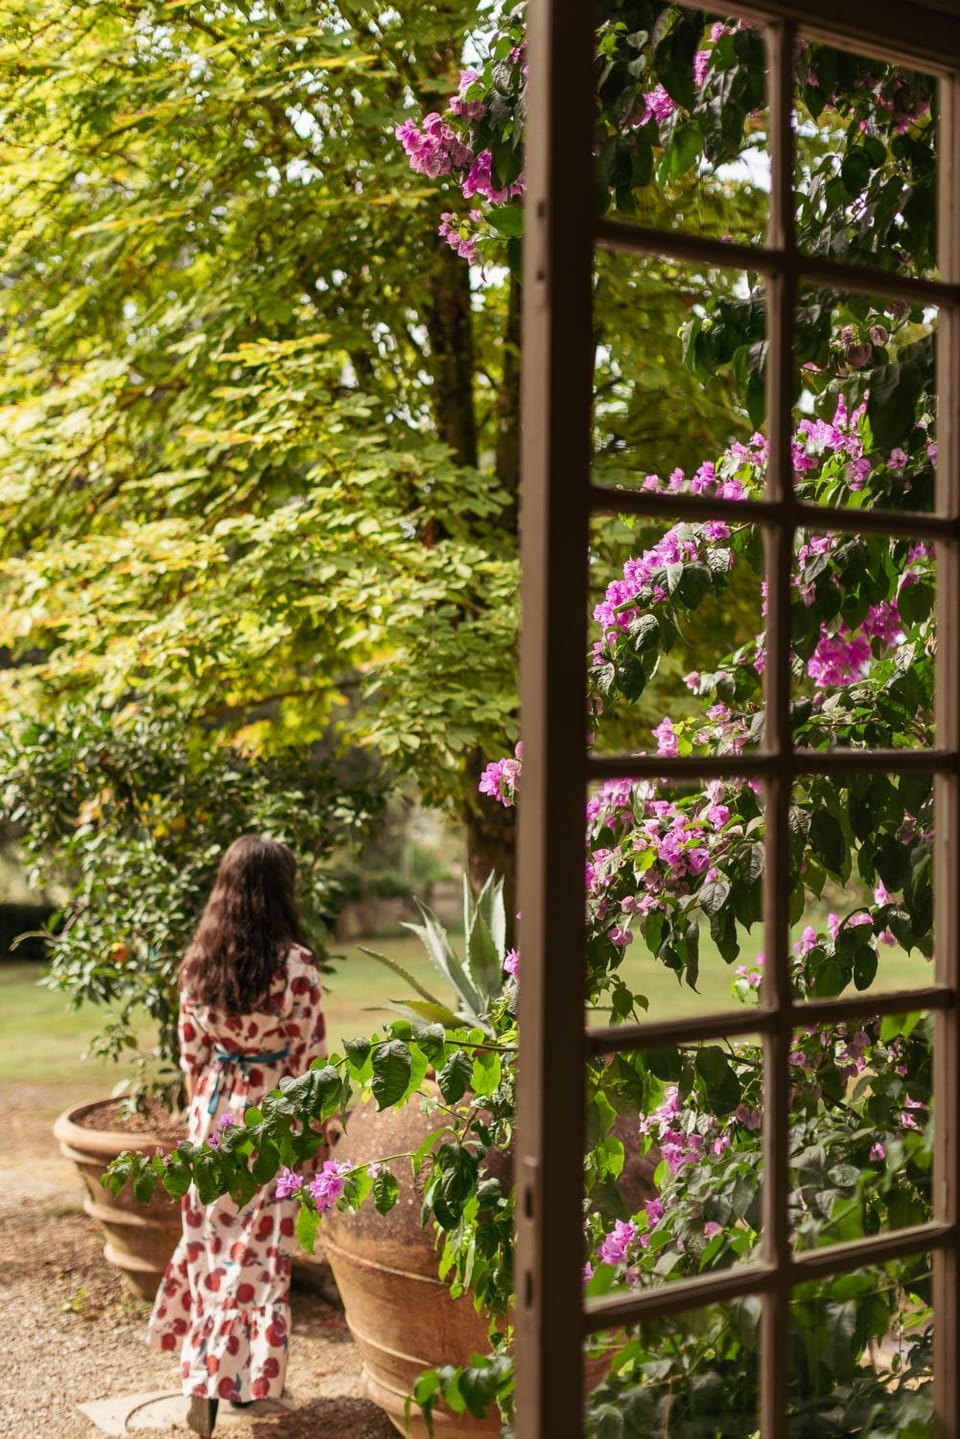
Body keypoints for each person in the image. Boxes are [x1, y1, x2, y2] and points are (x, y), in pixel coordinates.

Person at [147, 834, 326, 1437]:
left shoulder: (199, 963)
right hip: (270, 1119)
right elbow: (310, 1059)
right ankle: (239, 1383)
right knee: (258, 1256)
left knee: (209, 1248)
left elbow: (190, 1055)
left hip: (212, 1114)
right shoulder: (296, 966)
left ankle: (204, 1375)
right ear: (281, 891)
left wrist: (209, 1107)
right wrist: (318, 1137)